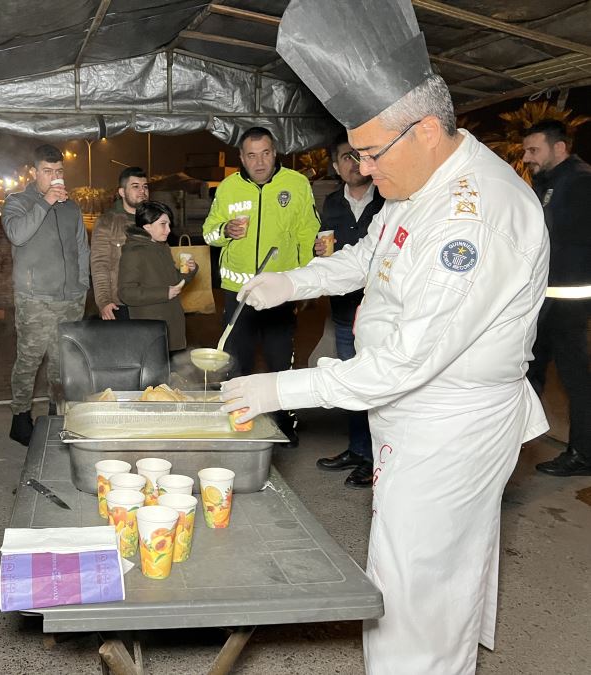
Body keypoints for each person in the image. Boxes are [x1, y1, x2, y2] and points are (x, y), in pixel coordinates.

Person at [222, 3, 550, 672]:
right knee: (413, 570)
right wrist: (290, 282)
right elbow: (367, 256)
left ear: (425, 130)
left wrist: (277, 386)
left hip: (450, 423)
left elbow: (401, 363)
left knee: (418, 593)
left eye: (370, 152)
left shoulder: (474, 220)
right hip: (414, 413)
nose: (363, 169)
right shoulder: (418, 183)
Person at [202, 126, 320, 440]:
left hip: (279, 291)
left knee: (279, 360)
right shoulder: (227, 189)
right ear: (241, 157)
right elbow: (208, 234)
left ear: (275, 152)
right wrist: (226, 230)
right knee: (236, 361)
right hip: (237, 292)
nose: (259, 162)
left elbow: (308, 235)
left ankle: (284, 424)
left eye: (265, 153)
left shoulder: (296, 184)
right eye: (251, 155)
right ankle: (238, 421)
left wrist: (307, 283)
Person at [2, 144, 90, 446]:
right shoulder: (18, 202)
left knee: (61, 362)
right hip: (35, 298)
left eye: (59, 172)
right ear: (34, 171)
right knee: (29, 360)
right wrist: (45, 202)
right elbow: (17, 234)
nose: (54, 177)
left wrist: (82, 284)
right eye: (47, 171)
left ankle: (55, 415)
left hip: (70, 298)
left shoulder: (71, 207)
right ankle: (20, 417)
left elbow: (81, 247)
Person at [314, 133, 385, 488]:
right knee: (353, 384)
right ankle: (358, 449)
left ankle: (376, 459)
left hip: (379, 313)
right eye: (345, 157)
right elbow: (327, 249)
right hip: (344, 312)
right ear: (336, 166)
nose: (353, 164)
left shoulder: (388, 200)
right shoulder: (330, 203)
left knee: (377, 384)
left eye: (359, 156)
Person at [521, 119, 591, 476]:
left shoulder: (578, 182)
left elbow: (559, 241)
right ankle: (513, 440)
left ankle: (583, 453)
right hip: (546, 297)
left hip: (567, 298)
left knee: (574, 377)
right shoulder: (549, 182)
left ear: (559, 148)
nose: (527, 157)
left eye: (534, 150)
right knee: (529, 368)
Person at [118, 201, 197, 351]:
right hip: (152, 330)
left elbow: (174, 283)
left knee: (170, 371)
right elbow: (126, 293)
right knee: (156, 373)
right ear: (147, 226)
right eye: (163, 224)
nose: (168, 230)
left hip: (170, 323)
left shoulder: (161, 247)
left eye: (169, 224)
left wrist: (188, 271)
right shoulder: (134, 253)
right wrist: (164, 293)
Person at [91, 167, 149, 320]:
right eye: (135, 186)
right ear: (122, 192)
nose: (142, 191)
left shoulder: (155, 220)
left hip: (150, 301)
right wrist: (104, 301)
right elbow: (100, 265)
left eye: (145, 186)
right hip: (120, 304)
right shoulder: (108, 222)